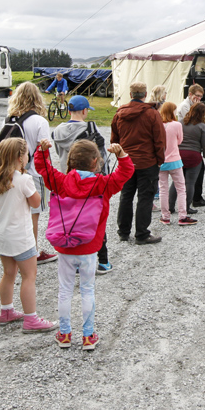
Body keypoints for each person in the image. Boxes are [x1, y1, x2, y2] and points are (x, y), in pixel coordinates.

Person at [34, 138, 134, 351]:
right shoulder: (102, 184)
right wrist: (121, 155)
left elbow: (43, 168)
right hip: (89, 247)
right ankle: (88, 336)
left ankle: (65, 333)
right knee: (87, 289)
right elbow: (126, 173)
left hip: (64, 245)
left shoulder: (60, 182)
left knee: (65, 289)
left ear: (70, 160)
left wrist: (42, 151)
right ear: (96, 162)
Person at [0, 138, 56, 334]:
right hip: (21, 237)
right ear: (20, 158)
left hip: (2, 235)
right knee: (29, 276)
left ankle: (6, 310)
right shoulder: (23, 179)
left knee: (9, 274)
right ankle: (31, 318)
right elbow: (36, 203)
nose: (28, 157)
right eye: (27, 154)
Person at [50, 95, 112, 274]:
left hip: (68, 181)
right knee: (94, 220)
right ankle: (103, 260)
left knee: (73, 221)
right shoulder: (90, 128)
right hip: (89, 182)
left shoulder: (58, 131)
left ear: (69, 110)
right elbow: (100, 156)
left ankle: (75, 261)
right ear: (84, 111)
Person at [7, 81, 56, 264]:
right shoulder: (39, 121)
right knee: (33, 214)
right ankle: (32, 253)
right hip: (34, 172)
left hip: (13, 172)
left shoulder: (9, 119)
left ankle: (17, 249)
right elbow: (44, 148)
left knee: (18, 212)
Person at [110, 81, 165, 245]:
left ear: (130, 94)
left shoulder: (119, 113)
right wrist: (160, 160)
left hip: (126, 161)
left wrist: (120, 156)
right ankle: (141, 233)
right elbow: (159, 140)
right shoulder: (152, 114)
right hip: (147, 161)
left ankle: (124, 231)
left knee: (126, 196)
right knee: (145, 197)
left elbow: (114, 140)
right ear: (145, 95)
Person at [157, 102, 195, 226]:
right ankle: (182, 216)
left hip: (161, 161)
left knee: (163, 189)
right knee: (181, 188)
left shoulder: (158, 125)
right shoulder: (177, 125)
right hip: (174, 160)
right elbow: (180, 140)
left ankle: (165, 216)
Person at [171, 101, 205, 220]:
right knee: (190, 183)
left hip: (179, 154)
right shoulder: (201, 126)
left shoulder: (181, 123)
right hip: (194, 155)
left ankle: (170, 206)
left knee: (176, 182)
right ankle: (186, 207)